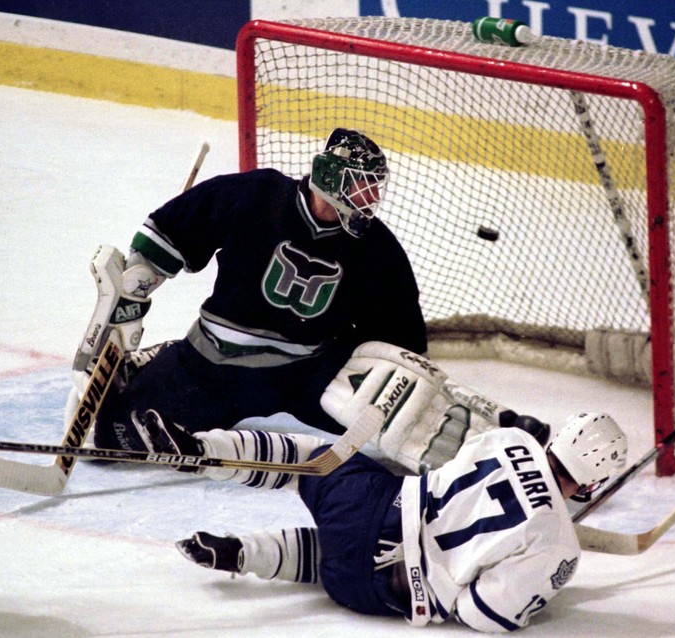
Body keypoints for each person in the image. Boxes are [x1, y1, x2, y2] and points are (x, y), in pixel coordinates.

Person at [129, 346, 628, 632]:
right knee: (335, 557)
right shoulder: (559, 543)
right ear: (592, 480)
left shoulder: (511, 438)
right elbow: (486, 615)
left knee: (313, 457)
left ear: (559, 436)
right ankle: (244, 554)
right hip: (372, 591)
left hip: (372, 506)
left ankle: (200, 449)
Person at [68, 128, 427, 452]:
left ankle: (158, 363)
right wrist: (139, 282)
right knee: (118, 433)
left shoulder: (376, 246)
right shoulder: (257, 194)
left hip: (305, 375)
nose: (373, 195)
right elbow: (169, 235)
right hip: (214, 367)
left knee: (391, 425)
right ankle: (157, 363)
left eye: (376, 185)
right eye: (364, 182)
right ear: (331, 177)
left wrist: (405, 381)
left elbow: (399, 329)